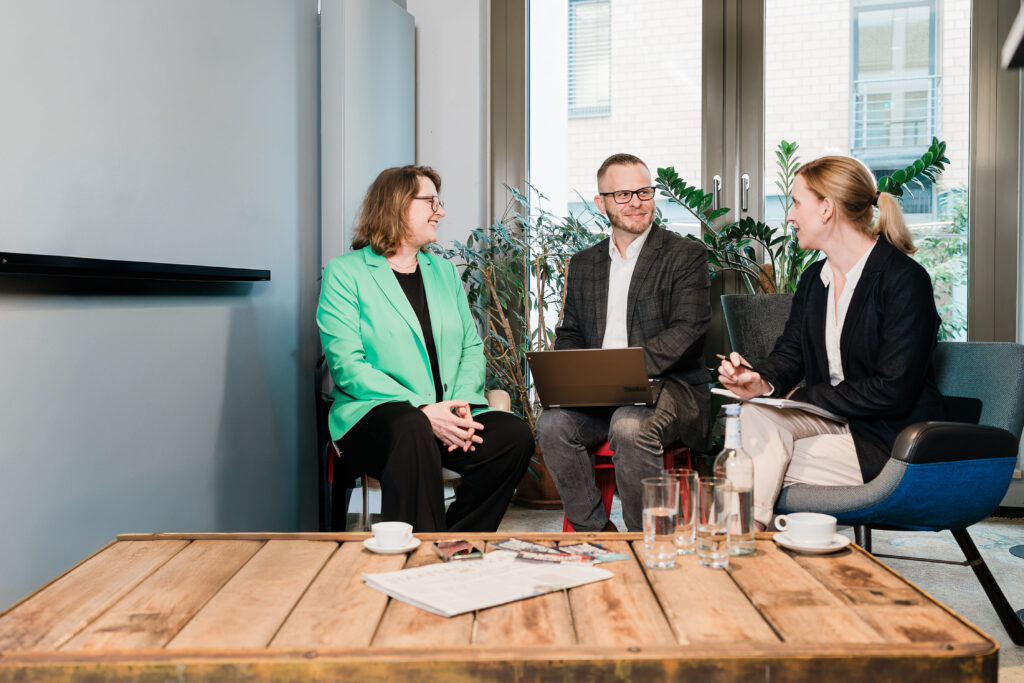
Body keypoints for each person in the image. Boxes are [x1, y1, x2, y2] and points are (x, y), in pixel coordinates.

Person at [717, 155, 946, 529]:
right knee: (753, 415)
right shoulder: (814, 279)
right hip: (831, 420)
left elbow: (894, 390)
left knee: (753, 462)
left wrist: (804, 396)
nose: (790, 217)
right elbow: (791, 351)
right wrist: (759, 382)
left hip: (886, 438)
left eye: (796, 203)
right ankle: (745, 539)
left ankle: (740, 539)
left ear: (826, 209)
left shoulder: (904, 280)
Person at [316, 165, 533, 532]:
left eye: (439, 202)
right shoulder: (346, 273)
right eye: (431, 202)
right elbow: (347, 366)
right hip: (375, 417)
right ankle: (422, 553)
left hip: (445, 413)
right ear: (397, 205)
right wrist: (422, 408)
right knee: (413, 427)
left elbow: (470, 347)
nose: (441, 212)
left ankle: (457, 541)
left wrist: (460, 406)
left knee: (513, 437)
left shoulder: (443, 272)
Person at [535, 153, 712, 532]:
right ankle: (596, 534)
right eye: (623, 194)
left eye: (644, 192)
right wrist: (572, 377)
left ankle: (647, 540)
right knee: (551, 425)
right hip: (598, 394)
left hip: (670, 387)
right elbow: (570, 333)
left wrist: (626, 371)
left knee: (629, 425)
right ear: (601, 203)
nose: (636, 202)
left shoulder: (685, 255)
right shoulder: (584, 263)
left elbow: (689, 330)